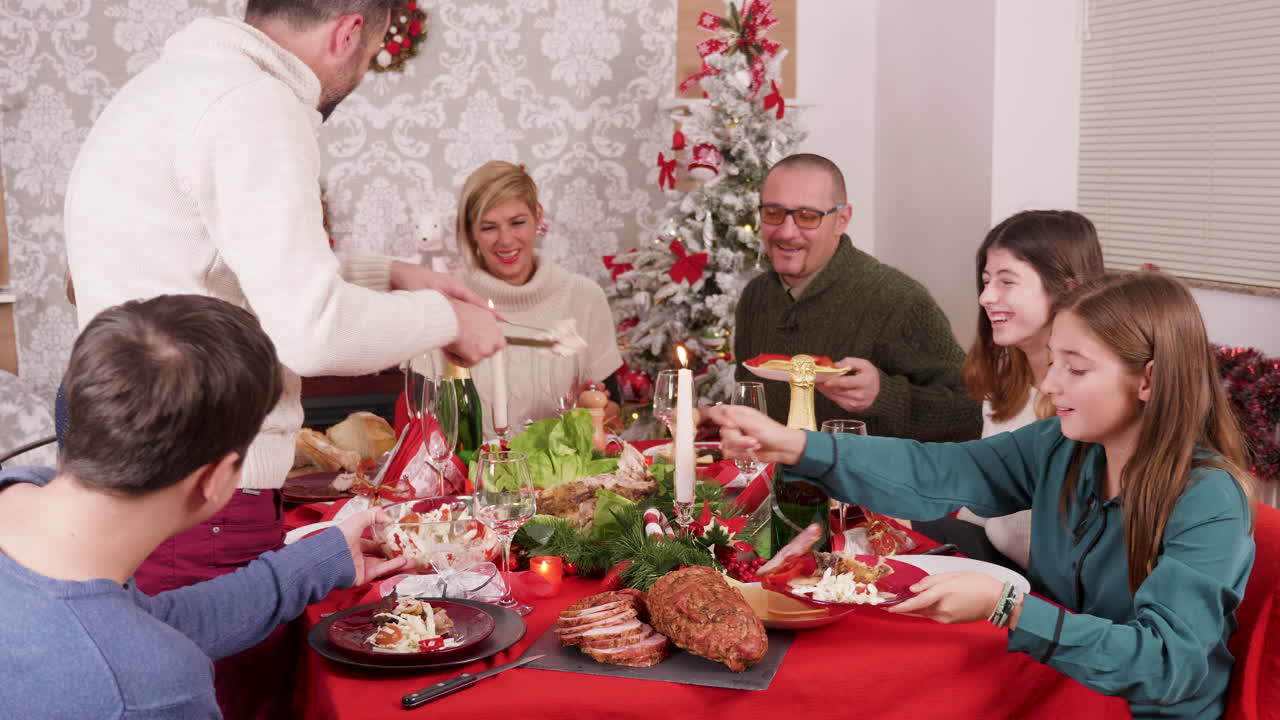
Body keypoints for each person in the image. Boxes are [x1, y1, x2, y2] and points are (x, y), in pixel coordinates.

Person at [61, 1, 500, 715]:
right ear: (349, 31)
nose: (363, 70)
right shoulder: (256, 104)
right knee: (241, 698)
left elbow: (231, 264)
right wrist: (445, 320)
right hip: (202, 481)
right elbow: (312, 330)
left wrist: (392, 275)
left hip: (138, 463)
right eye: (372, 54)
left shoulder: (174, 84)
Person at [712, 271, 1256, 720]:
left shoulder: (1208, 498)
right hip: (1060, 684)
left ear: (1149, 381)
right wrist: (795, 445)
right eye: (1053, 361)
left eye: (1076, 368)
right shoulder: (1062, 446)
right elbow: (940, 471)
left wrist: (1008, 607)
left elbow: (1167, 665)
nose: (1051, 384)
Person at [0, 295, 407, 719]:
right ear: (216, 478)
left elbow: (148, 620)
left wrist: (321, 561)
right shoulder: (151, 691)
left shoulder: (28, 499)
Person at [734, 153, 981, 441]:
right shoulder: (756, 295)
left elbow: (972, 411)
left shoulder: (897, 299)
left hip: (864, 472)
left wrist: (885, 397)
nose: (787, 232)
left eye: (807, 217)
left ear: (842, 220)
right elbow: (753, 403)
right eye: (773, 213)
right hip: (770, 470)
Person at [914, 210, 1105, 569]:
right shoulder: (1006, 373)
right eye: (986, 281)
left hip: (1050, 586)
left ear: (1068, 291)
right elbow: (983, 502)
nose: (985, 297)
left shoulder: (1093, 401)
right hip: (995, 553)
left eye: (1006, 282)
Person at [451, 160, 623, 434]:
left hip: (566, 463)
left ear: (538, 216)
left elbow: (612, 414)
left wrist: (592, 412)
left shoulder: (584, 297)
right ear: (471, 232)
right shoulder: (446, 303)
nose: (506, 240)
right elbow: (426, 421)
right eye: (488, 227)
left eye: (517, 222)